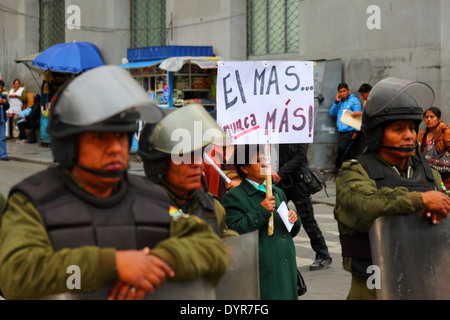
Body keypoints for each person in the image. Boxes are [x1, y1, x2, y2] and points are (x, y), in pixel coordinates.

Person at [0, 66, 228, 300]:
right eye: (100, 138)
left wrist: (159, 262)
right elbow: (16, 276)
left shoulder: (151, 198)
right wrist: (113, 265)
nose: (115, 148)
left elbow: (211, 247)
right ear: (70, 143)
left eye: (121, 136)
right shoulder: (33, 202)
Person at [334, 77, 450, 300]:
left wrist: (441, 207)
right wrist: (421, 201)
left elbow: (443, 209)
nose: (408, 135)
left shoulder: (427, 173)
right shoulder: (354, 171)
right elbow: (366, 205)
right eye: (398, 129)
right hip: (372, 285)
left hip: (423, 280)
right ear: (377, 133)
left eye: (411, 128)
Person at [138, 103, 238, 239]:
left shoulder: (211, 207)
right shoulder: (141, 211)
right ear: (159, 163)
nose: (196, 164)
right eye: (183, 156)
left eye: (198, 155)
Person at [222, 144, 301, 300]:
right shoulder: (235, 196)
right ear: (245, 168)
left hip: (286, 267)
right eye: (259, 160)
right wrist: (262, 211)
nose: (265, 162)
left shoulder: (277, 192)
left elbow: (290, 231)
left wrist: (294, 218)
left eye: (265, 158)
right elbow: (235, 231)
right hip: (262, 270)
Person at [273, 143, 332, 270]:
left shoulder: (299, 131)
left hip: (297, 183)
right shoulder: (277, 129)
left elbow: (300, 156)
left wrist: (281, 173)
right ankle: (276, 256)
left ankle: (323, 255)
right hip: (280, 182)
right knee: (274, 217)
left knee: (308, 221)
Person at [329, 82, 362, 170]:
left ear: (348, 91)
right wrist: (336, 102)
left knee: (343, 149)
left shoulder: (354, 101)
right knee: (345, 151)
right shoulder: (339, 102)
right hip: (341, 131)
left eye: (344, 91)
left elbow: (359, 117)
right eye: (340, 92)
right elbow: (332, 113)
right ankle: (344, 169)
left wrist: (356, 131)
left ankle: (337, 166)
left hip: (350, 131)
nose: (343, 93)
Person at [417, 106, 450, 190]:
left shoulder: (445, 132)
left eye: (432, 117)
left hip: (445, 176)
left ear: (439, 119)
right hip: (427, 175)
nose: (428, 119)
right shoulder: (422, 135)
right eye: (426, 117)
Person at [0, 80, 10, 161]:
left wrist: (4, 102)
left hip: (2, 120)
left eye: (1, 88)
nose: (0, 89)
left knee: (2, 138)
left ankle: (3, 155)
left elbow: (7, 106)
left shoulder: (3, 96)